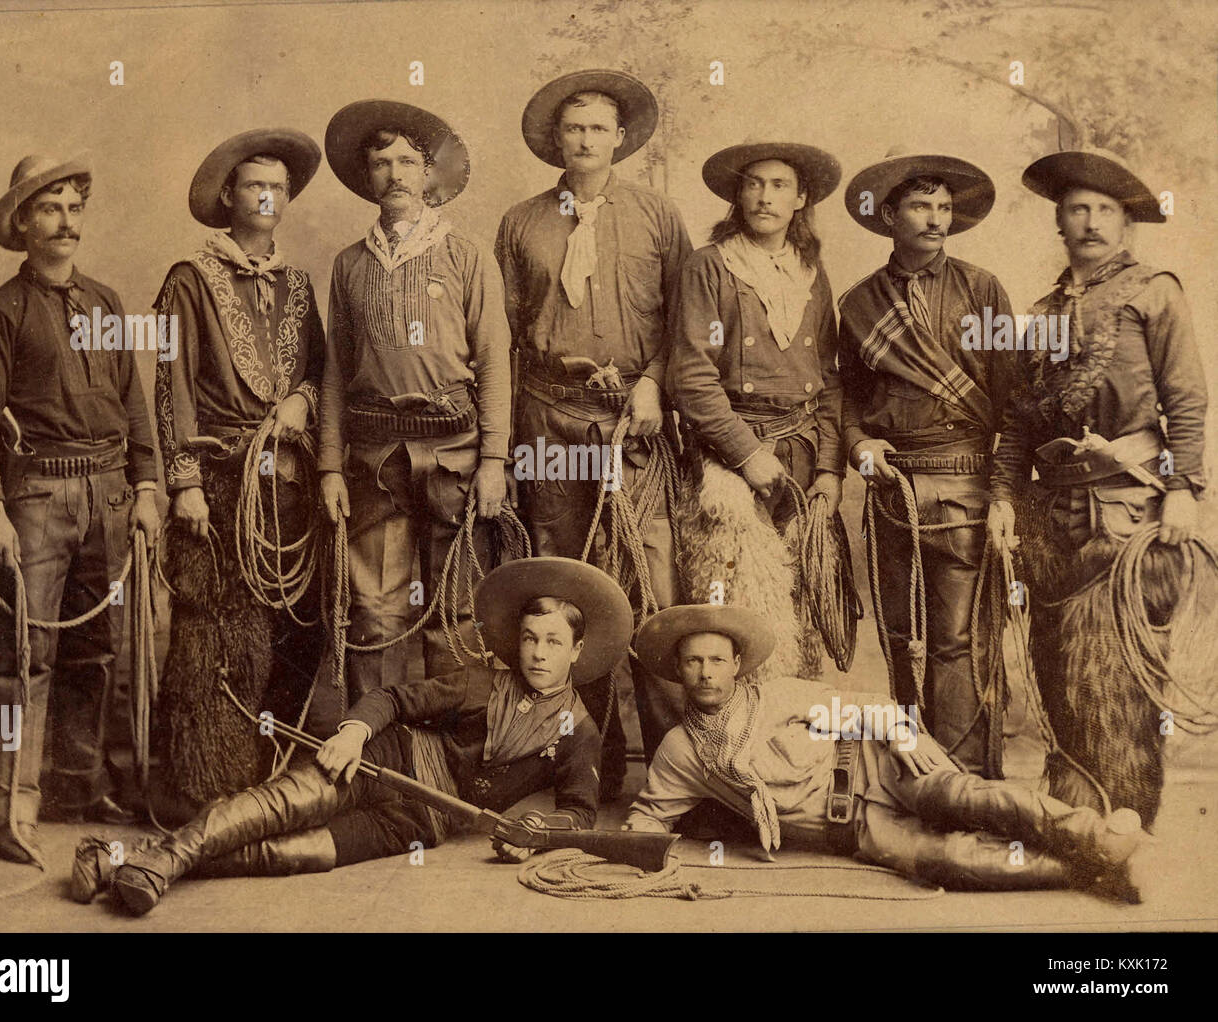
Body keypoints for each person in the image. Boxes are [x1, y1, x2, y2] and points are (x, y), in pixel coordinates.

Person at [71, 558, 632, 915]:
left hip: (416, 822)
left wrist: (534, 830)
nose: (538, 653)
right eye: (531, 638)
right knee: (280, 805)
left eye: (554, 643)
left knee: (295, 854)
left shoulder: (577, 731)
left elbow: (579, 814)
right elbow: (393, 698)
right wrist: (354, 732)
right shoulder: (483, 681)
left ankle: (121, 859)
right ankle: (161, 864)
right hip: (383, 761)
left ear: (577, 652)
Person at [624, 604, 1145, 900]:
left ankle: (1095, 834)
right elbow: (650, 816)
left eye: (718, 659)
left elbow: (864, 707)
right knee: (945, 860)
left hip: (880, 765)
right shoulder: (682, 751)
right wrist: (625, 850)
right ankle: (1081, 871)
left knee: (966, 798)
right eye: (693, 662)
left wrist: (904, 733)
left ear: (738, 663)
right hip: (849, 827)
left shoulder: (776, 695)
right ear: (678, 669)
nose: (707, 672)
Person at [987, 148, 1209, 827]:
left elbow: (1187, 403)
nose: (1090, 222)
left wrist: (1184, 487)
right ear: (1059, 221)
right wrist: (1001, 497)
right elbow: (1018, 424)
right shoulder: (1041, 311)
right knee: (1057, 663)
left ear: (1126, 225)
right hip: (1051, 515)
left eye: (1105, 211)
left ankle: (1125, 818)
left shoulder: (1154, 292)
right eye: (1077, 209)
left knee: (1118, 672)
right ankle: (1073, 809)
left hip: (1128, 509)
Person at [0, 152, 160, 860]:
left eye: (74, 206)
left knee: (95, 652)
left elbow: (135, 405)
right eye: (49, 208)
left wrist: (150, 487)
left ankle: (79, 784)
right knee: (20, 654)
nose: (65, 221)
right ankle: (5, 812)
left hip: (108, 495)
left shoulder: (105, 304)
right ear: (22, 223)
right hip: (34, 498)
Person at [496, 69, 693, 787]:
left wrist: (651, 385)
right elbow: (508, 337)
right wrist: (515, 444)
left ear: (621, 138)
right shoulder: (521, 222)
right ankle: (585, 764)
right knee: (564, 582)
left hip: (631, 423)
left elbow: (686, 324)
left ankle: (677, 767)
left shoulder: (659, 217)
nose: (584, 139)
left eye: (598, 128)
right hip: (550, 417)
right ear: (556, 139)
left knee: (649, 576)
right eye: (572, 128)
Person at [153, 129, 327, 813]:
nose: (266, 196)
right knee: (216, 639)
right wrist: (185, 482)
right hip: (219, 484)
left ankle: (271, 785)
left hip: (289, 487)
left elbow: (318, 372)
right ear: (229, 195)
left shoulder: (301, 284)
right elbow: (172, 387)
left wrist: (300, 400)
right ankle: (203, 790)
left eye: (278, 187)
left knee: (293, 631)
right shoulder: (188, 281)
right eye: (254, 184)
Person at [318, 100, 510, 702]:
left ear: (429, 175)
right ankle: (375, 758)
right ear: (367, 178)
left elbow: (495, 360)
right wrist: (328, 465)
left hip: (455, 452)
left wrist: (495, 461)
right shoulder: (350, 265)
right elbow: (333, 374)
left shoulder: (467, 254)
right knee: (376, 612)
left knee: (456, 614)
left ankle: (449, 759)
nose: (395, 174)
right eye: (381, 163)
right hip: (376, 458)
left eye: (407, 162)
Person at [836, 148, 1015, 775]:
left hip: (964, 478)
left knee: (955, 640)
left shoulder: (983, 288)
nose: (936, 218)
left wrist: (1002, 492)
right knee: (896, 635)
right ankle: (909, 776)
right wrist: (859, 445)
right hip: (891, 485)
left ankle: (964, 781)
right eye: (920, 205)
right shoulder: (858, 303)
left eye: (944, 207)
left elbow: (1012, 400)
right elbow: (847, 399)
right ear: (889, 215)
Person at [667, 140, 845, 679]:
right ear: (738, 195)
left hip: (804, 453)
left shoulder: (812, 273)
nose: (765, 197)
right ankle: (733, 743)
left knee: (803, 605)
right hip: (730, 457)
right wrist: (747, 455)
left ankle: (793, 749)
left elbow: (832, 381)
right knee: (738, 602)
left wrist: (831, 468)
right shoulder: (710, 267)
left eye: (779, 186)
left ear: (801, 198)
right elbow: (691, 378)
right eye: (754, 184)